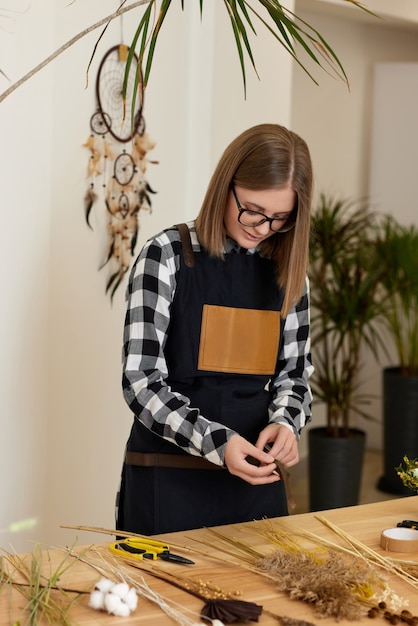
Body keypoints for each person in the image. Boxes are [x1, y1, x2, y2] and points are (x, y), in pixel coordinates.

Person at [116, 123, 314, 536]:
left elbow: (294, 377)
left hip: (256, 488)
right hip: (167, 483)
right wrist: (218, 444)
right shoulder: (165, 256)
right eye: (253, 209)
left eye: (280, 218)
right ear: (226, 186)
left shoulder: (288, 272)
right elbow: (141, 383)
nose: (262, 228)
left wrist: (286, 423)